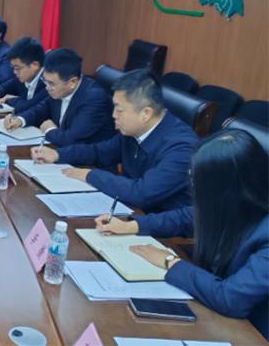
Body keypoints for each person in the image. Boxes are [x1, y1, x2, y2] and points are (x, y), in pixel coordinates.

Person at [95, 129, 269, 339]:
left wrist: (170, 261)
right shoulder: (237, 203)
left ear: (226, 187)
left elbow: (230, 299)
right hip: (212, 311)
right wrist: (130, 226)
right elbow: (185, 218)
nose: (193, 186)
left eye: (199, 181)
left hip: (250, 332)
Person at [32, 69, 197, 213]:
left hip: (161, 228)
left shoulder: (182, 148)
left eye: (119, 110)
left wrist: (91, 175)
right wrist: (57, 154)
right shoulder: (134, 130)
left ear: (146, 113)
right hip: (128, 210)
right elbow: (99, 152)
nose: (114, 115)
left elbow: (142, 193)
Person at [5, 48, 115, 146]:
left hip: (87, 160)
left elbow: (71, 140)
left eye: (51, 84)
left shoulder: (94, 99)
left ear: (73, 82)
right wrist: (20, 120)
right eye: (45, 81)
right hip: (62, 152)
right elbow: (39, 111)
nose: (47, 87)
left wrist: (49, 130)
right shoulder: (58, 90)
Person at [0, 36, 47, 111]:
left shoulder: (47, 83)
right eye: (13, 67)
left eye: (17, 68)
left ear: (35, 65)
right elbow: (5, 86)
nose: (14, 72)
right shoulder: (23, 77)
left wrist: (10, 99)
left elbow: (26, 108)